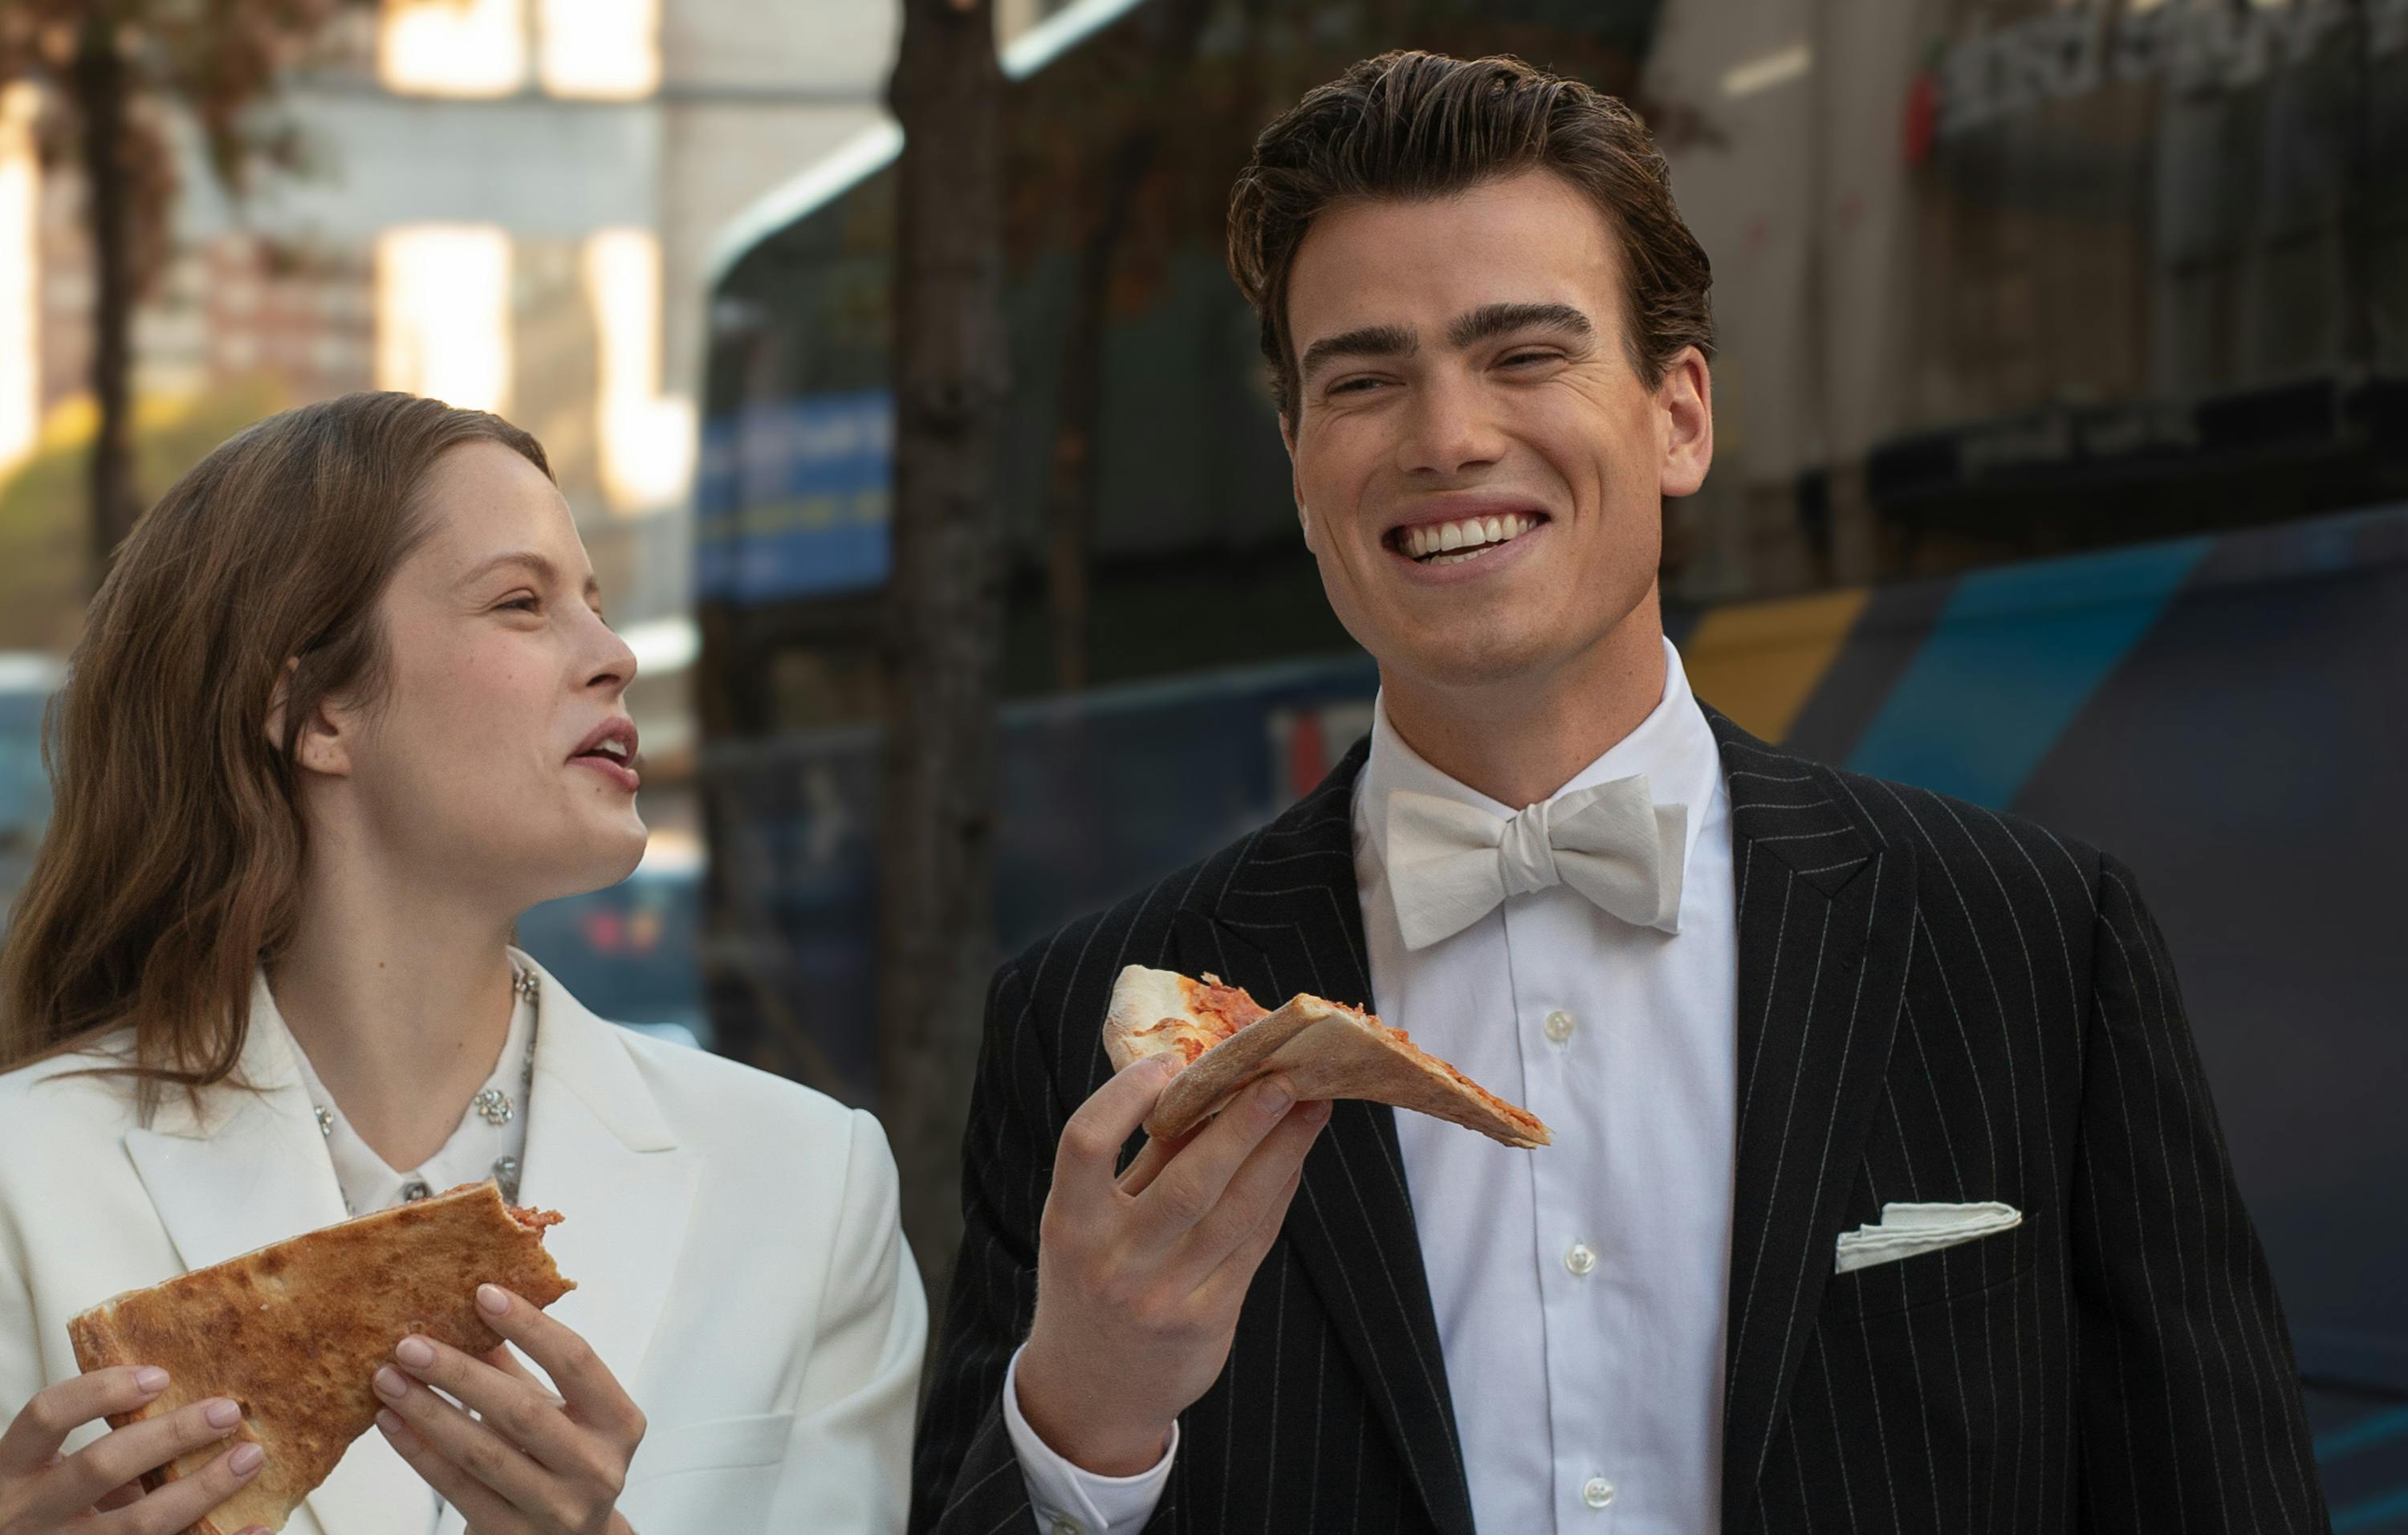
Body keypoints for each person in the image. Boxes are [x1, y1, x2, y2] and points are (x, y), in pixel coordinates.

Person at [911, 51, 2327, 1535]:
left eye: (1525, 355)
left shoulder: (2034, 942)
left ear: (1680, 417)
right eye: (1365, 380)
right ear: (1300, 464)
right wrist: (1090, 1417)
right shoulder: (1081, 1027)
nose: (1447, 437)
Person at [0, 393, 926, 1535]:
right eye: (521, 603)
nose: (615, 656)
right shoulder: (2, 1176)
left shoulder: (807, 1180)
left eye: (596, 604)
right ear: (316, 712)